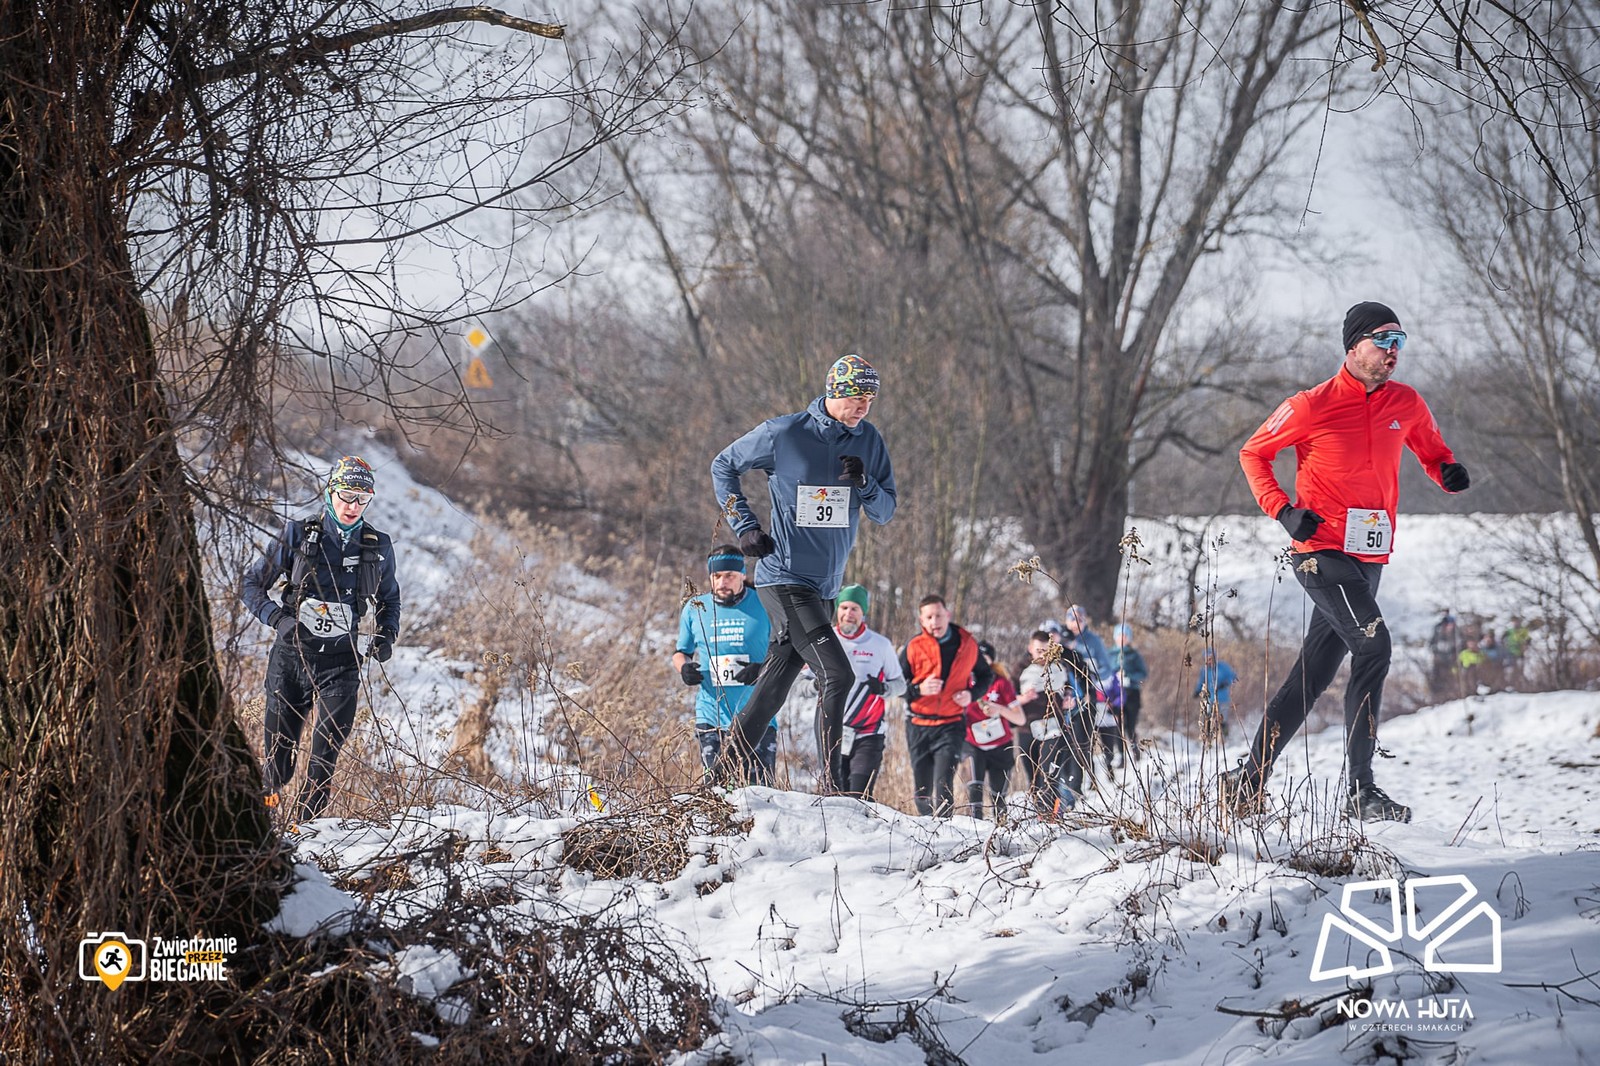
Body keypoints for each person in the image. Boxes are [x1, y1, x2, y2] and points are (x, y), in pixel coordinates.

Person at [1227, 301, 1470, 823]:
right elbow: (1254, 453)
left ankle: (1247, 780)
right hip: (1320, 553)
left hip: (1370, 554)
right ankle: (1361, 789)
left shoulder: (1405, 402)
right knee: (1375, 645)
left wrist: (1446, 471)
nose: (1392, 353)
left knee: (1313, 675)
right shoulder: (1311, 404)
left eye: (1400, 342)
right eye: (1383, 342)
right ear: (1354, 345)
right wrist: (1284, 511)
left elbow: (1431, 450)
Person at [711, 354, 896, 791]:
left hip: (826, 587)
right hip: (783, 578)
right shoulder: (785, 433)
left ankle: (717, 782)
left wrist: (865, 483)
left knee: (772, 689)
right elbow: (723, 465)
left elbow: (885, 511)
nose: (863, 406)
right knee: (838, 674)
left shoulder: (869, 440)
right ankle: (833, 788)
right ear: (833, 392)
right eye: (855, 396)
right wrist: (746, 526)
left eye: (869, 398)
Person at [241, 456, 401, 823]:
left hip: (341, 664)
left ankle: (305, 834)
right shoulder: (297, 534)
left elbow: (389, 598)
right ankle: (264, 824)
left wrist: (386, 634)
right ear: (331, 492)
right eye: (346, 495)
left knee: (323, 757)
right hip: (291, 658)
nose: (352, 506)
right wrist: (278, 620)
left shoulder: (378, 546)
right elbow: (251, 585)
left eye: (362, 499)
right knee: (279, 760)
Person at [672, 546, 773, 786]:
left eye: (729, 576)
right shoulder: (696, 608)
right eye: (717, 577)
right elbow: (681, 653)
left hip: (758, 715)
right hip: (711, 715)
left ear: (743, 575)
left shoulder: (765, 603)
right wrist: (684, 669)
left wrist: (762, 669)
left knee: (760, 797)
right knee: (717, 794)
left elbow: (792, 655)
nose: (722, 582)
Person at [900, 595, 992, 817]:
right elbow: (896, 685)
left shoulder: (967, 644)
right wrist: (918, 689)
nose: (934, 622)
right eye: (929, 617)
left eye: (938, 615)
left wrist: (971, 694)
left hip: (951, 725)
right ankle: (925, 831)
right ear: (921, 620)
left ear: (947, 615)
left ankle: (945, 834)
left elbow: (986, 675)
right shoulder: (913, 647)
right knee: (922, 793)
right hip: (918, 724)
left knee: (943, 785)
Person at [827, 584, 906, 798]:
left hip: (869, 733)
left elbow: (900, 684)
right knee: (835, 796)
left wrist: (883, 688)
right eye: (843, 608)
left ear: (863, 612)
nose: (848, 614)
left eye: (854, 609)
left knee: (858, 795)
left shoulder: (880, 644)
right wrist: (817, 685)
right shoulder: (826, 641)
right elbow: (800, 681)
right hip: (833, 731)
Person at [1012, 631, 1094, 814]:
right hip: (1027, 728)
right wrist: (1022, 699)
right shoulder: (1020, 669)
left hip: (1054, 726)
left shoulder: (1061, 667)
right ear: (1030, 649)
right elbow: (1008, 698)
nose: (1042, 655)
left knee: (1048, 771)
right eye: (1038, 650)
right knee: (1032, 775)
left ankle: (1052, 815)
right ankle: (1040, 812)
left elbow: (1074, 691)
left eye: (1046, 651)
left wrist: (1069, 700)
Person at [965, 641, 1023, 819]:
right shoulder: (964, 681)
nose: (981, 661)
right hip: (974, 743)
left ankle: (1001, 830)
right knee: (975, 790)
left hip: (1000, 744)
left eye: (985, 658)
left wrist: (1000, 709)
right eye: (977, 658)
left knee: (999, 795)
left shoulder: (1001, 683)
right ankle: (976, 830)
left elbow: (1020, 718)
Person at [1110, 622, 1149, 764]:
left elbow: (1143, 673)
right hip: (1115, 695)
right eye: (1119, 635)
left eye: (1125, 636)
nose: (1122, 638)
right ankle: (1120, 755)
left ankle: (1134, 749)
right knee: (1118, 725)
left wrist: (1129, 677)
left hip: (1132, 694)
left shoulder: (1134, 655)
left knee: (1130, 726)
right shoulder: (1110, 654)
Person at [1193, 648, 1238, 727]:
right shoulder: (1204, 670)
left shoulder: (1223, 667)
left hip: (1223, 697)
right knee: (1208, 717)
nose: (1209, 661)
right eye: (1207, 659)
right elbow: (1201, 681)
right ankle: (1209, 735)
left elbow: (1233, 677)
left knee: (1222, 719)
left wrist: (1226, 683)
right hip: (1210, 698)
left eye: (1211, 658)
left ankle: (1224, 735)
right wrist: (1197, 691)